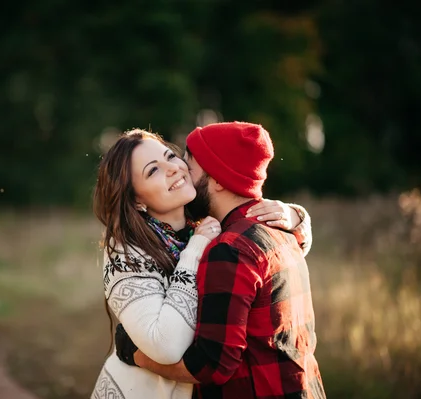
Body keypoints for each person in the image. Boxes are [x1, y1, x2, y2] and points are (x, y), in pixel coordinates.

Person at [91, 128, 314, 399]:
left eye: (172, 157)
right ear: (136, 198)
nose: (174, 168)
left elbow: (264, 255)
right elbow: (168, 346)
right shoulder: (128, 250)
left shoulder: (212, 232)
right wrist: (196, 247)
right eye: (153, 171)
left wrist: (296, 216)